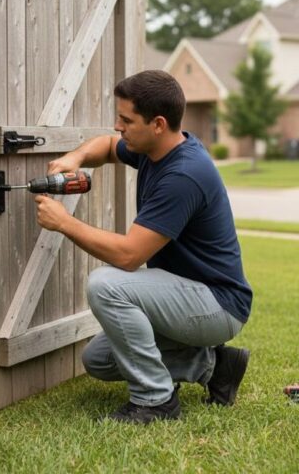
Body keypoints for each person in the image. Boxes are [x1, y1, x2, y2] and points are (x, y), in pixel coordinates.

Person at [35, 70, 252, 424]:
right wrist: (74, 159)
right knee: (99, 360)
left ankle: (155, 402)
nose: (118, 127)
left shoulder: (183, 174)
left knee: (105, 284)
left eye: (126, 120)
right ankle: (215, 365)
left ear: (158, 124)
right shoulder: (156, 150)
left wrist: (63, 222)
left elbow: (129, 255)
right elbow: (105, 146)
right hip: (189, 295)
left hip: (218, 304)